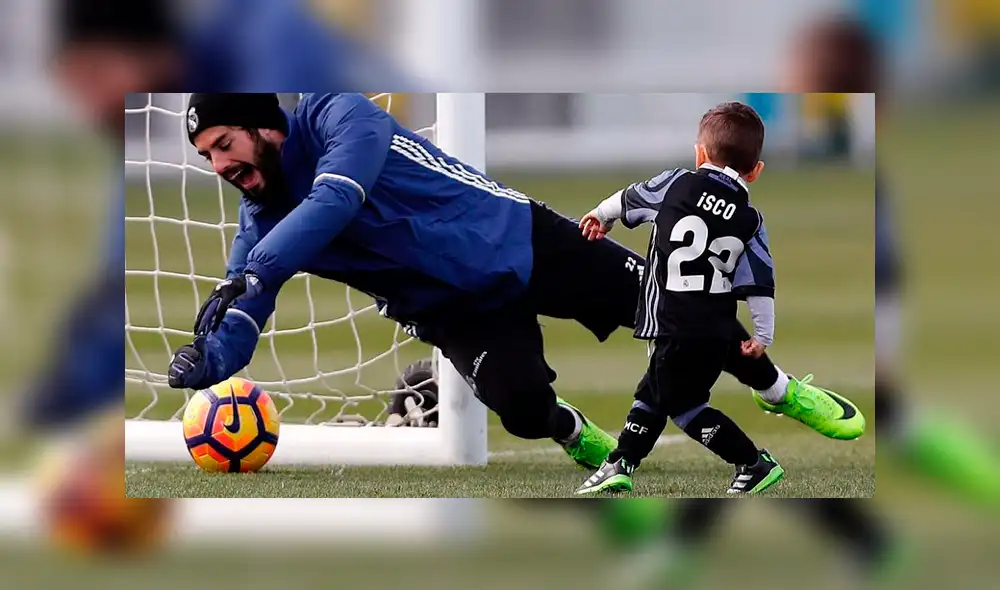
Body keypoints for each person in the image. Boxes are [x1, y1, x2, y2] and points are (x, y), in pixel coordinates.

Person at [575, 102, 796, 496]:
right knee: (654, 391)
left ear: (700, 154)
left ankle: (752, 462)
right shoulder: (750, 219)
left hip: (673, 321)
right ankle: (620, 463)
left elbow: (626, 199)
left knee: (685, 407)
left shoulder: (677, 184)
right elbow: (761, 284)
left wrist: (600, 216)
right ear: (755, 171)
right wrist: (762, 335)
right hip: (717, 330)